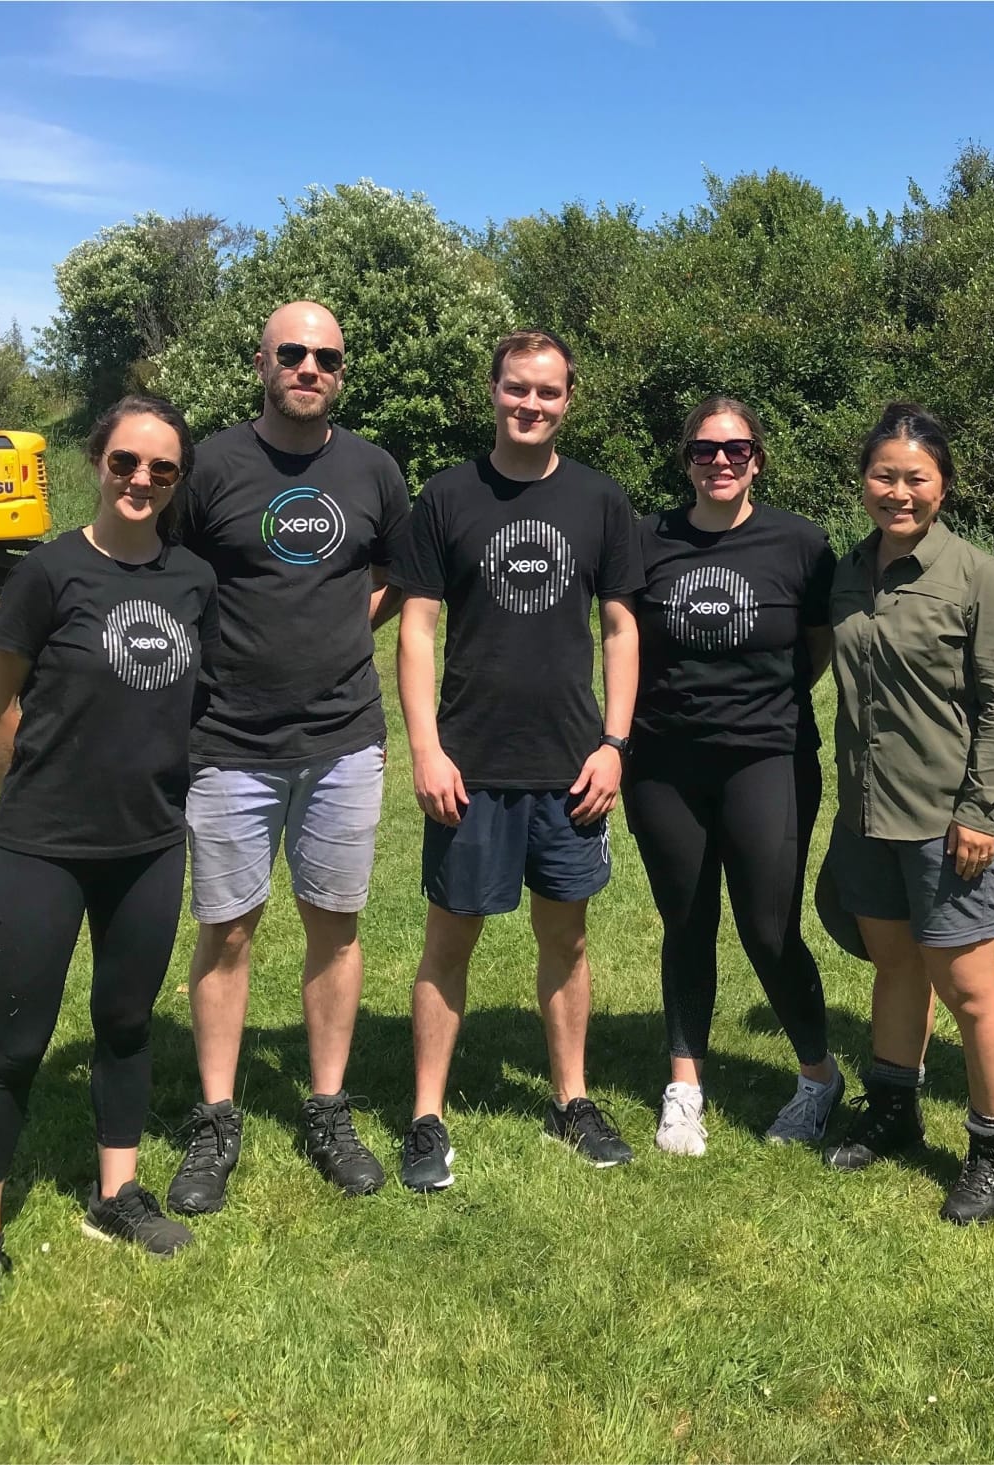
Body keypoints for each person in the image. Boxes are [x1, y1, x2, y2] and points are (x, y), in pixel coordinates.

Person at [0, 396, 218, 1316]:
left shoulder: (192, 581)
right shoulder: (50, 573)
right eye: (126, 462)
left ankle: (117, 1193)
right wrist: (25, 803)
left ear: (177, 481)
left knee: (128, 1021)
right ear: (97, 462)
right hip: (41, 848)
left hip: (147, 846)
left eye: (162, 470)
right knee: (18, 1038)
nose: (141, 480)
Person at [167, 301, 411, 1215]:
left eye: (327, 357)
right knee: (227, 930)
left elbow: (391, 571)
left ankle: (327, 1106)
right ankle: (218, 1116)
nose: (310, 367)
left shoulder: (373, 469)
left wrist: (347, 631)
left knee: (334, 925)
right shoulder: (213, 467)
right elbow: (174, 573)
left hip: (344, 740)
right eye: (294, 353)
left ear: (341, 371)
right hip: (229, 739)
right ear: (263, 361)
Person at [388, 328, 643, 1190]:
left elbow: (620, 627)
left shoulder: (600, 501)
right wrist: (425, 747)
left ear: (569, 399)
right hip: (469, 764)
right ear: (491, 391)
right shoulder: (447, 498)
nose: (531, 404)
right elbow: (416, 628)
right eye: (517, 388)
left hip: (571, 767)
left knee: (565, 939)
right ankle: (426, 1115)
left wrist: (614, 744)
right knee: (448, 939)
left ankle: (571, 1099)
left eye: (548, 392)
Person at [817, 402, 994, 1225]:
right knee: (896, 966)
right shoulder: (846, 570)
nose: (898, 492)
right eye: (883, 475)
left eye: (915, 478)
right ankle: (894, 1110)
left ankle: (993, 1146)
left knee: (970, 987)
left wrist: (980, 809)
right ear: (863, 481)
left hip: (952, 821)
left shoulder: (980, 576)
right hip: (868, 813)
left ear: (942, 485)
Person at [623, 395, 840, 1156]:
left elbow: (816, 647)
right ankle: (684, 1087)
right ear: (685, 457)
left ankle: (818, 1076)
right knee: (687, 920)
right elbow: (621, 637)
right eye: (705, 449)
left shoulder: (802, 544)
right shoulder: (644, 539)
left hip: (768, 755)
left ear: (758, 459)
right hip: (662, 761)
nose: (720, 461)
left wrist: (755, 706)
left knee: (768, 925)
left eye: (736, 449)